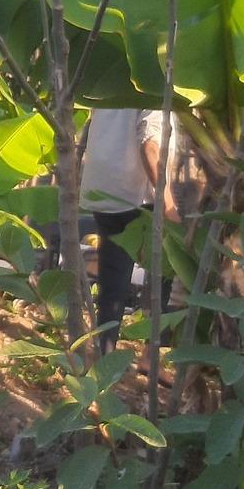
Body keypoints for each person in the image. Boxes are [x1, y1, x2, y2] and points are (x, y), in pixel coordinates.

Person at [81, 107, 171, 341]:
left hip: (105, 183)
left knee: (112, 280)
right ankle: (151, 355)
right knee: (166, 273)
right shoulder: (155, 76)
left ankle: (103, 353)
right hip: (137, 192)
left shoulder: (111, 74)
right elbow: (149, 141)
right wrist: (168, 201)